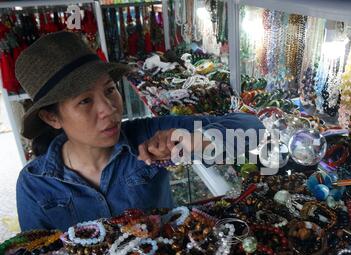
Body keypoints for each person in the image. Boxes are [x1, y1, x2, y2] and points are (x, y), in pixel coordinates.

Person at [15, 31, 264, 231]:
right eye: (85, 101)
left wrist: (194, 141)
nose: (109, 108)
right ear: (51, 117)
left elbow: (253, 128)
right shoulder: (35, 185)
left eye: (110, 90)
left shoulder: (147, 134)